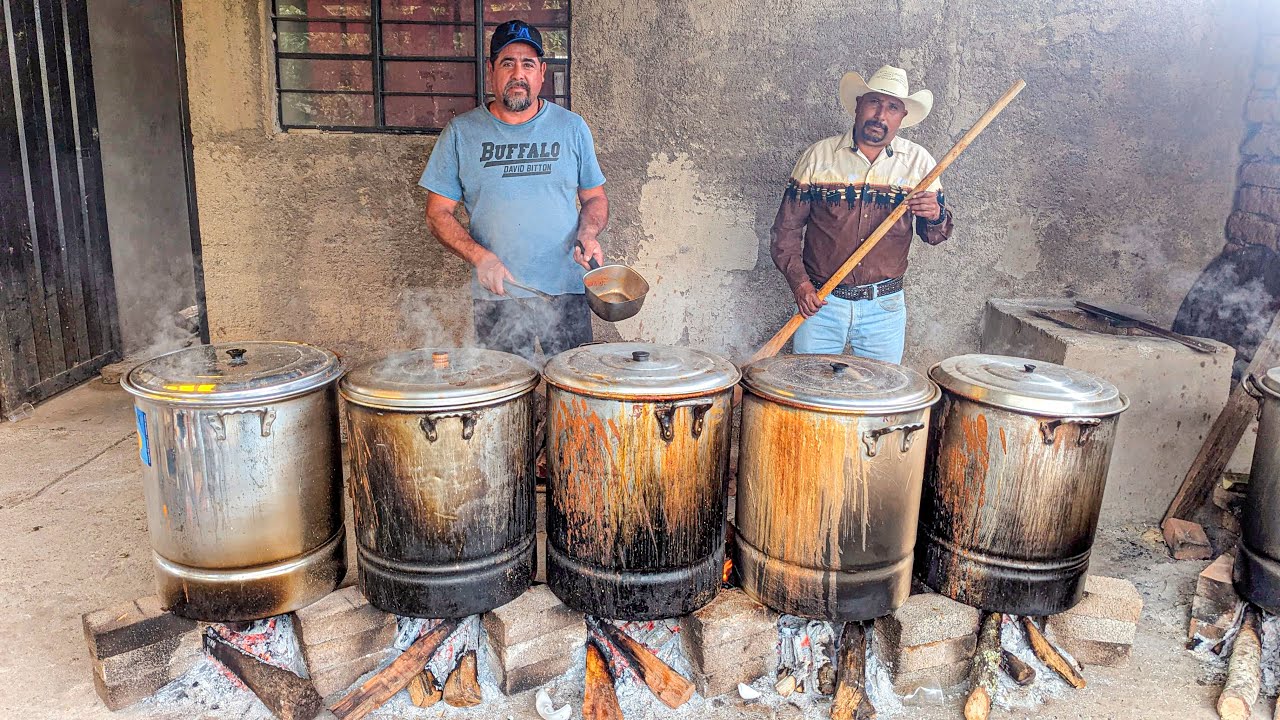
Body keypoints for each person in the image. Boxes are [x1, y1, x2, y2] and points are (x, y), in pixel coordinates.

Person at [420, 19, 608, 362]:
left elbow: (594, 197)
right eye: (507, 63)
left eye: (528, 64)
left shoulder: (571, 128)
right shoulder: (462, 133)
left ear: (541, 73)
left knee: (573, 392)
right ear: (491, 70)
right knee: (505, 394)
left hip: (565, 290)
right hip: (497, 293)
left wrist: (588, 233)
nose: (517, 73)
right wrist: (481, 257)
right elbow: (437, 213)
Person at [770, 65, 954, 364]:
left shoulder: (920, 164)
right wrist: (800, 285)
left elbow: (934, 235)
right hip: (820, 302)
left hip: (884, 308)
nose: (881, 116)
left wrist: (935, 214)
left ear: (902, 116)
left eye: (892, 107)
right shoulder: (818, 157)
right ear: (858, 105)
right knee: (810, 394)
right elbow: (785, 233)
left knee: (879, 396)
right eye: (874, 103)